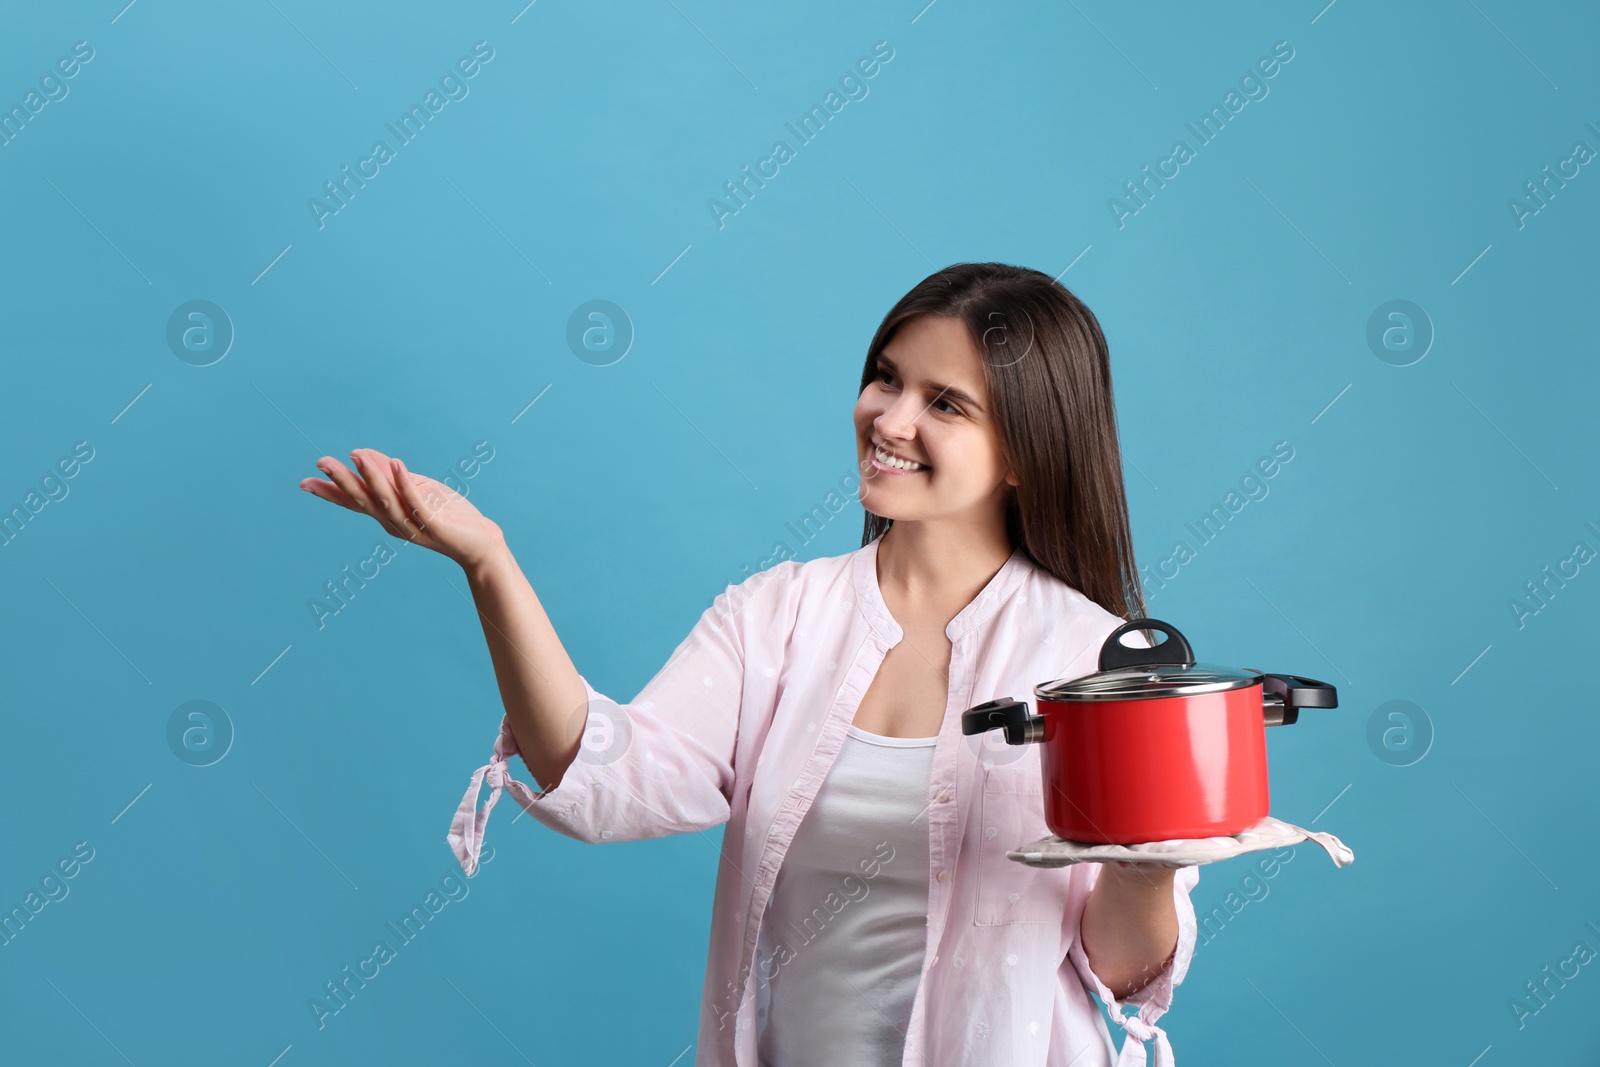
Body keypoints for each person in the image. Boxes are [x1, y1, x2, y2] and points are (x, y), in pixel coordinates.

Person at [299, 262, 1200, 1066]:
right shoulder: (775, 615)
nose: (888, 418)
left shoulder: (1095, 660)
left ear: (1025, 451)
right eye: (886, 377)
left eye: (944, 402)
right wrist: (488, 559)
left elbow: (1117, 970)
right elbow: (600, 780)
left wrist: (1147, 861)